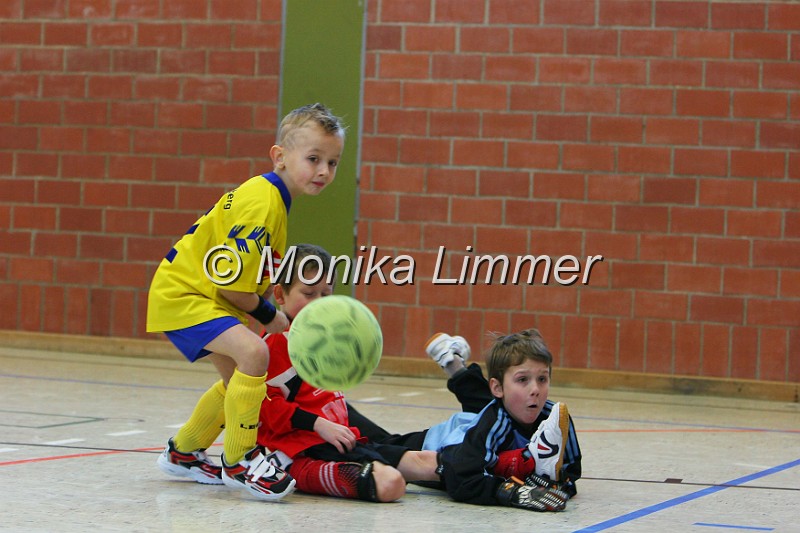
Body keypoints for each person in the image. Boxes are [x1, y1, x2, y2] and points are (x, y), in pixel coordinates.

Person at [147, 103, 346, 501]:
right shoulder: (263, 203)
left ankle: (183, 453)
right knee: (255, 355)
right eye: (313, 159)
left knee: (234, 383)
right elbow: (233, 290)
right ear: (280, 157)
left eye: (332, 162)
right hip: (188, 296)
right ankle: (239, 463)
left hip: (197, 294)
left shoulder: (271, 198)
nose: (324, 170)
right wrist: (275, 318)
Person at [256, 243, 441, 503]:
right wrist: (318, 424)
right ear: (280, 294)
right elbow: (263, 407)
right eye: (308, 294)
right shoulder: (275, 344)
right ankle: (289, 470)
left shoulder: (325, 336)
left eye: (326, 293)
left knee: (431, 463)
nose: (318, 303)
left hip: (340, 439)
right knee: (390, 484)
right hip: (302, 449)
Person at [372, 330, 581, 512]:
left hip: (480, 428)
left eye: (542, 379)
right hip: (439, 444)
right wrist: (514, 492)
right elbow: (464, 480)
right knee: (373, 445)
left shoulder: (554, 415)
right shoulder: (493, 423)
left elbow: (571, 471)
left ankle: (454, 363)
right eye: (523, 379)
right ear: (496, 388)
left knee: (499, 404)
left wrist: (560, 485)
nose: (536, 389)